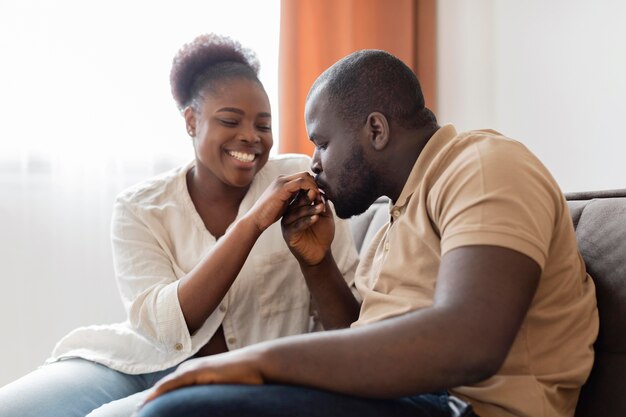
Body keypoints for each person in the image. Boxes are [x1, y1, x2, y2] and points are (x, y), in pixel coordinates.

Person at [135, 49, 599, 417]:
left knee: (180, 411)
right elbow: (371, 349)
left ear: (375, 129)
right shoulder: (398, 214)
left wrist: (259, 361)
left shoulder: (482, 165)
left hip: (464, 407)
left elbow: (469, 341)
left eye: (322, 142)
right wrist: (318, 267)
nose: (313, 162)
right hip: (408, 398)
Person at [0, 34, 358, 417]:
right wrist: (252, 223)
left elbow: (354, 330)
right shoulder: (140, 208)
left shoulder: (299, 181)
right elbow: (164, 328)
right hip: (142, 362)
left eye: (263, 125)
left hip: (246, 377)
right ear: (191, 120)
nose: (251, 137)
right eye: (230, 120)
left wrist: (314, 261)